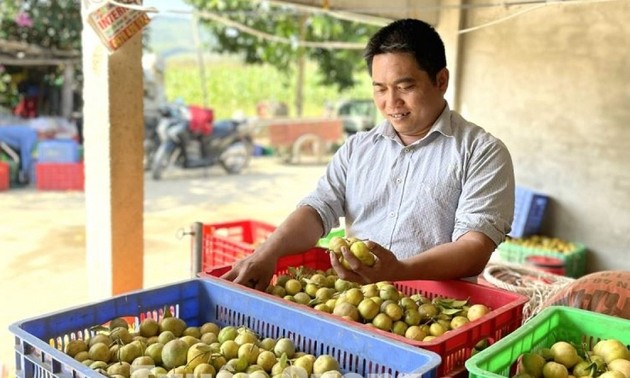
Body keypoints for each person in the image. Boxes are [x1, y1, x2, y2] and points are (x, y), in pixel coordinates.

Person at [222, 18, 515, 290]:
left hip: (433, 313)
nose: (391, 102)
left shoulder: (482, 152)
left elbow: (474, 248)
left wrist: (399, 270)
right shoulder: (358, 149)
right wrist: (266, 253)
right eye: (380, 89)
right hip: (355, 302)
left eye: (405, 86)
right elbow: (318, 208)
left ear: (441, 81)